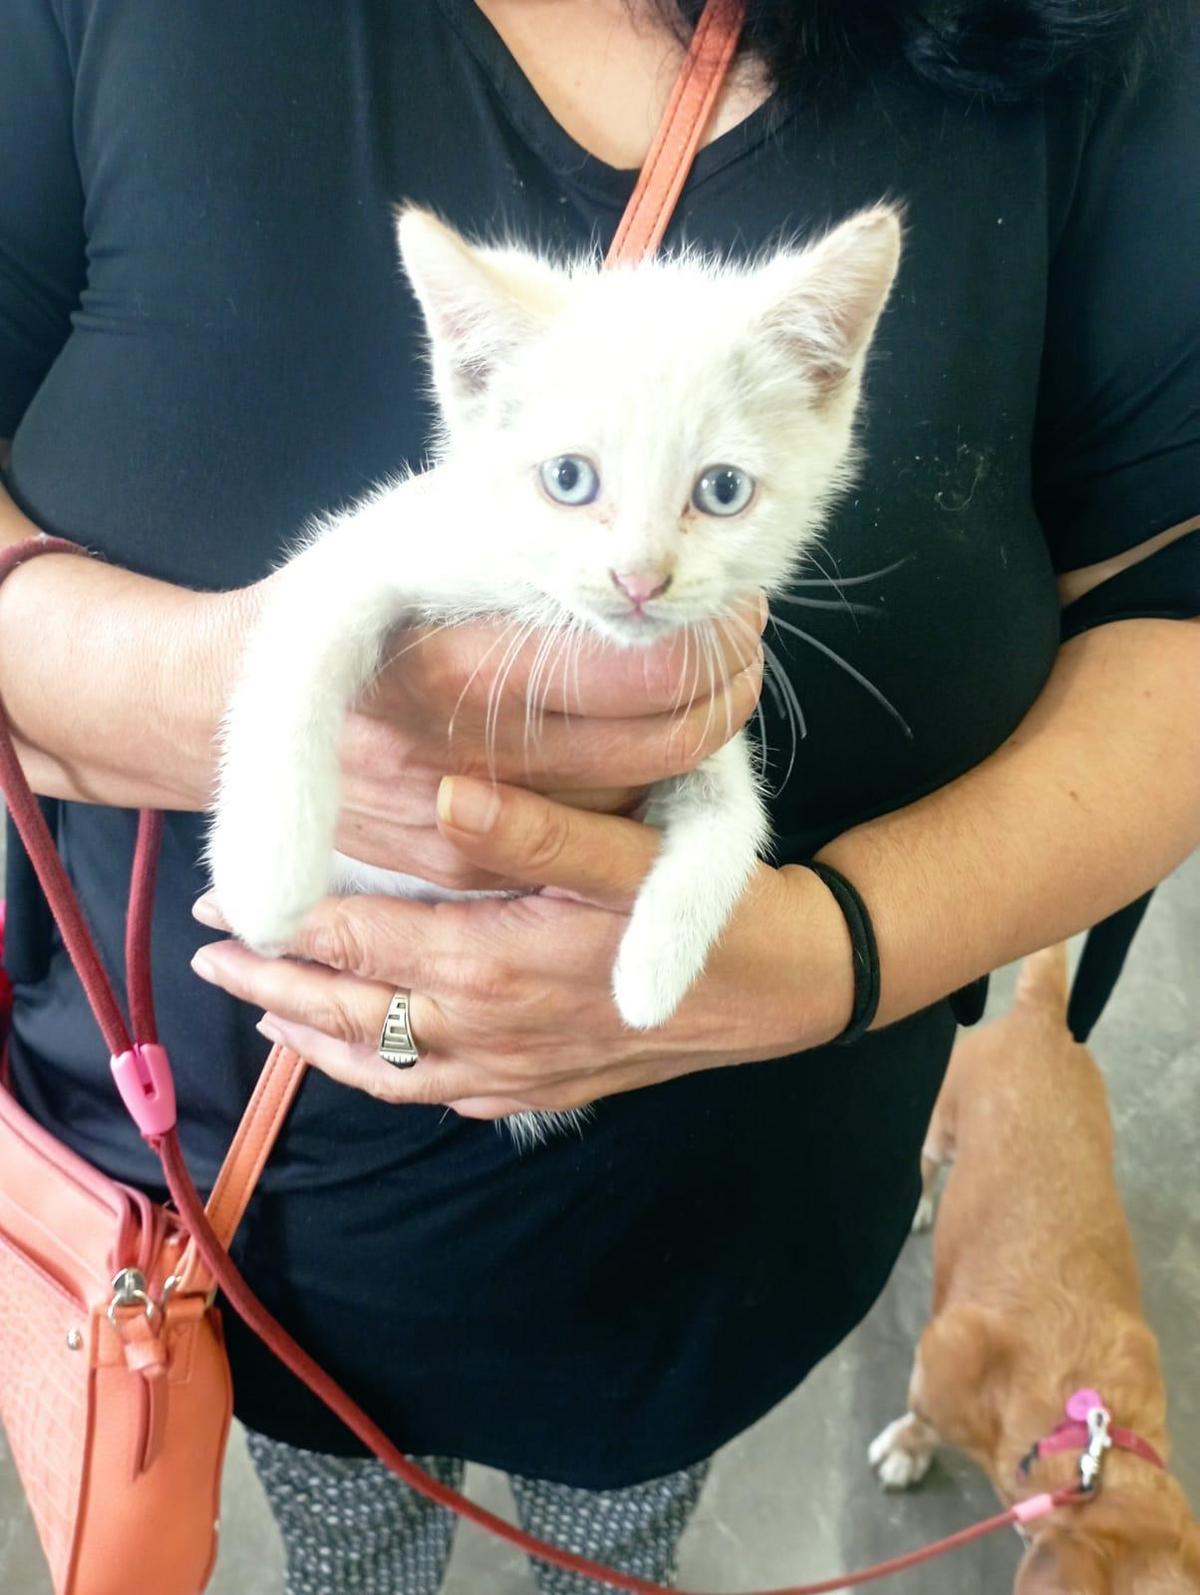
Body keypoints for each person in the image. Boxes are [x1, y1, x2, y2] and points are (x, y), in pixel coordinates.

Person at [1, 2, 1197, 1591]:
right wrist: (241, 721)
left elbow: (1166, 624)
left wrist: (820, 951)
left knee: (616, 1549)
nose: (642, 572)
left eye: (715, 494)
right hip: (235, 1243)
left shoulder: (1097, 53)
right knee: (351, 1549)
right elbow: (324, 613)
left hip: (694, 1267)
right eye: (580, 488)